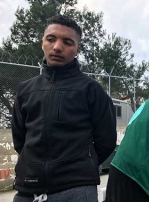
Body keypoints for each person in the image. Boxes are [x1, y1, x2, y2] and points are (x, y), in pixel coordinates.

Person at [11, 15, 117, 202]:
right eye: (51, 39)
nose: (57, 47)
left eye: (67, 42)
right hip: (28, 189)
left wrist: (82, 165)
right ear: (42, 42)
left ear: (77, 49)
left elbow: (106, 139)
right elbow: (20, 139)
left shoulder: (91, 89)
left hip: (76, 190)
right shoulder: (25, 90)